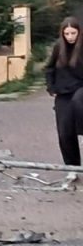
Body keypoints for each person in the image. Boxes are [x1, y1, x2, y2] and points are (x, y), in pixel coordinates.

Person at [45, 16, 83, 165]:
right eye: (67, 34)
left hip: (80, 88)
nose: (70, 37)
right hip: (63, 93)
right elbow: (49, 68)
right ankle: (72, 168)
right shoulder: (58, 47)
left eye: (73, 33)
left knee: (78, 102)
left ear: (79, 32)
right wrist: (51, 87)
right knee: (65, 133)